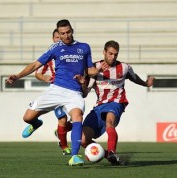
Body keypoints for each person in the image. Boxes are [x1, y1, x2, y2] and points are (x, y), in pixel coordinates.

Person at [6, 19, 104, 166]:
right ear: (59, 33)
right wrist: (18, 76)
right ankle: (36, 123)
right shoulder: (55, 48)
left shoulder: (84, 47)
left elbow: (89, 69)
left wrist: (97, 70)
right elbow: (35, 65)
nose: (66, 36)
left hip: (74, 92)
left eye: (68, 32)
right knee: (27, 117)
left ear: (72, 31)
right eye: (63, 33)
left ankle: (75, 156)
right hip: (56, 89)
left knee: (77, 116)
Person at [80, 40, 155, 165]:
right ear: (104, 52)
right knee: (82, 140)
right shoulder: (94, 69)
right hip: (99, 106)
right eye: (110, 53)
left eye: (115, 54)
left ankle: (112, 152)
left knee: (110, 122)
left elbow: (134, 77)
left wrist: (146, 83)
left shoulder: (124, 68)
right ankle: (108, 156)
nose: (113, 57)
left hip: (116, 102)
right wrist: (83, 83)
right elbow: (85, 93)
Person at [34, 29, 72, 155]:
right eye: (56, 37)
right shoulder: (50, 56)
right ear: (53, 39)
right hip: (56, 92)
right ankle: (64, 147)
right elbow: (37, 73)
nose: (59, 39)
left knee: (74, 121)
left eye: (59, 37)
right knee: (62, 117)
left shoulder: (70, 55)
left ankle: (60, 132)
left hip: (71, 90)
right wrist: (45, 77)